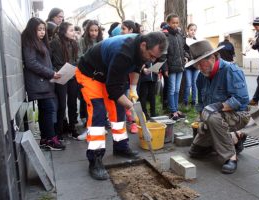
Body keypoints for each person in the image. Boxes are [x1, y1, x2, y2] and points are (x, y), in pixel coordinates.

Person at [76, 32, 168, 180]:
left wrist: (132, 89)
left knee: (118, 112)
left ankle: (120, 146)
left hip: (108, 74)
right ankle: (95, 159)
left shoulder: (142, 48)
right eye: (151, 56)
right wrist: (132, 108)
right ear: (143, 45)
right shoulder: (123, 52)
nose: (152, 60)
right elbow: (113, 89)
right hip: (90, 74)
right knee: (98, 115)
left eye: (155, 58)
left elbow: (136, 68)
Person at [186, 40, 251, 174]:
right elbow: (201, 104)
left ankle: (231, 157)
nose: (199, 67)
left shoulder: (231, 70)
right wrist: (201, 120)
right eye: (196, 64)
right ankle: (235, 137)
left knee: (212, 116)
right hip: (214, 117)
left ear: (213, 57)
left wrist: (216, 107)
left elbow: (241, 99)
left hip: (239, 115)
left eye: (201, 62)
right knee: (195, 152)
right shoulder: (201, 77)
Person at [21, 17, 65, 150]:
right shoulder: (29, 43)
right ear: (31, 30)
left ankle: (46, 139)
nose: (42, 32)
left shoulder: (39, 43)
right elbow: (31, 63)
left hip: (44, 83)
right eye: (39, 29)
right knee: (49, 110)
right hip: (39, 84)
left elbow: (43, 63)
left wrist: (53, 72)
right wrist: (51, 73)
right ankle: (50, 139)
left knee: (46, 110)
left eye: (43, 29)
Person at [50, 22, 79, 140]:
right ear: (64, 31)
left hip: (72, 75)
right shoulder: (55, 43)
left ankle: (72, 127)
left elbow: (77, 59)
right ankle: (59, 131)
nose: (74, 33)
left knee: (72, 103)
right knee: (61, 105)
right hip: (60, 75)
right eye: (71, 30)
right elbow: (54, 61)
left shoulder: (74, 43)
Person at [163, 13, 187, 121]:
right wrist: (165, 68)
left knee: (177, 89)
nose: (175, 25)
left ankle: (176, 109)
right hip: (171, 67)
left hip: (180, 66)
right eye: (173, 23)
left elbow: (184, 48)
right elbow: (163, 54)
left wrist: (186, 57)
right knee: (171, 89)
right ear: (168, 23)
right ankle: (172, 111)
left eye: (177, 23)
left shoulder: (180, 34)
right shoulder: (166, 35)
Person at [183, 23, 198, 107]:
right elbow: (183, 51)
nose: (193, 31)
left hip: (196, 65)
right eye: (191, 30)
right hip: (188, 65)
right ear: (187, 30)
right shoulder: (184, 40)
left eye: (194, 30)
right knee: (188, 83)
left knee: (194, 83)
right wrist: (186, 56)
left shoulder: (196, 40)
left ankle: (194, 101)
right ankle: (185, 102)